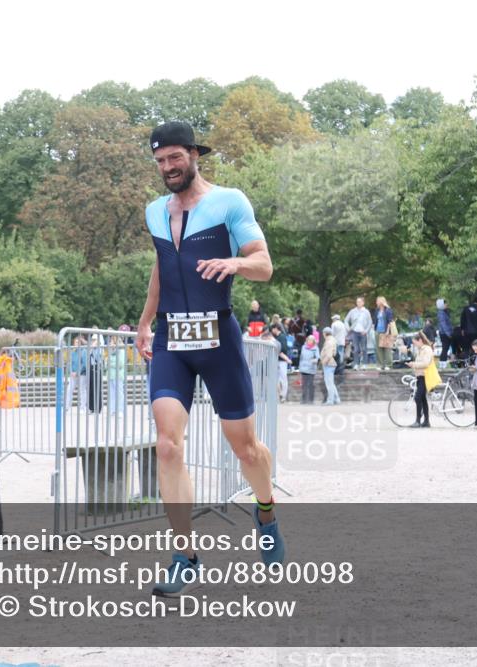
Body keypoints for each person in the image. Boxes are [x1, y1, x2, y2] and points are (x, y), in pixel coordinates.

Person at [135, 121, 284, 595]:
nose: (167, 168)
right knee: (168, 445)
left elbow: (264, 263)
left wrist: (235, 263)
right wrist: (144, 322)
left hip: (218, 337)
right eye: (160, 161)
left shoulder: (229, 202)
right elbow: (163, 266)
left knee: (246, 449)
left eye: (174, 158)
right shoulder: (155, 212)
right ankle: (185, 555)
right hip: (171, 341)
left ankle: (266, 512)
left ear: (194, 154)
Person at [407, 331, 434, 428]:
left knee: (418, 397)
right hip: (420, 376)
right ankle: (426, 421)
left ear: (420, 340)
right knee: (422, 399)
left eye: (415, 342)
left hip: (424, 376)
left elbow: (426, 363)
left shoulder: (426, 349)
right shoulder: (421, 349)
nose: (415, 345)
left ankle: (418, 421)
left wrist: (413, 364)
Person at [270, 323, 292, 403]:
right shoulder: (277, 337)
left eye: (273, 329)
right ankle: (280, 395)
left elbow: (283, 349)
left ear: (276, 328)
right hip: (278, 360)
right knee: (278, 379)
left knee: (283, 378)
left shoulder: (281, 337)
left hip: (282, 360)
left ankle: (283, 395)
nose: (272, 331)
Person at [106, 333, 127, 415]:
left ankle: (120, 410)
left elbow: (120, 364)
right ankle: (113, 410)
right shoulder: (111, 352)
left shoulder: (121, 350)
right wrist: (109, 362)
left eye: (111, 341)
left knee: (119, 393)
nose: (110, 343)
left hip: (118, 375)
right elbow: (106, 362)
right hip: (110, 375)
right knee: (112, 393)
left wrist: (110, 363)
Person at [460, 294, 477, 359]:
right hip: (476, 332)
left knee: (466, 348)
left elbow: (462, 319)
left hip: (466, 331)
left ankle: (466, 361)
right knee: (476, 347)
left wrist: (462, 329)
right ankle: (475, 361)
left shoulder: (466, 308)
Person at [320, 327, 341, 405]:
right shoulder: (332, 340)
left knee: (329, 384)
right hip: (330, 364)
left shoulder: (329, 342)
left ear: (325, 333)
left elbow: (329, 355)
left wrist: (323, 362)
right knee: (331, 383)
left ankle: (330, 400)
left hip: (328, 364)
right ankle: (336, 399)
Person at [374, 296, 395, 371]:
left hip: (386, 331)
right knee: (378, 349)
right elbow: (375, 320)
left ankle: (388, 364)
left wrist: (387, 331)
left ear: (381, 302)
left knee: (387, 348)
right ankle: (380, 364)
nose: (376, 302)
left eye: (377, 301)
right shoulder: (377, 310)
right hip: (378, 331)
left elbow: (390, 321)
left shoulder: (388, 310)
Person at [298, 334, 318, 404]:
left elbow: (318, 357)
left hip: (311, 369)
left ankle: (310, 400)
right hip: (303, 368)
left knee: (310, 384)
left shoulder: (315, 348)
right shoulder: (303, 347)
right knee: (304, 385)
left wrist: (315, 360)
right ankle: (304, 399)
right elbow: (301, 358)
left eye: (311, 340)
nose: (309, 341)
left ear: (313, 341)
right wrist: (300, 367)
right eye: (308, 340)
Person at [436, 299, 454, 364]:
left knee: (446, 348)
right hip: (445, 334)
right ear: (441, 305)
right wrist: (448, 333)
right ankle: (442, 362)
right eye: (445, 304)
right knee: (445, 348)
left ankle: (444, 362)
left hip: (446, 333)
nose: (446, 305)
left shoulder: (444, 312)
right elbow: (444, 324)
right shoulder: (441, 313)